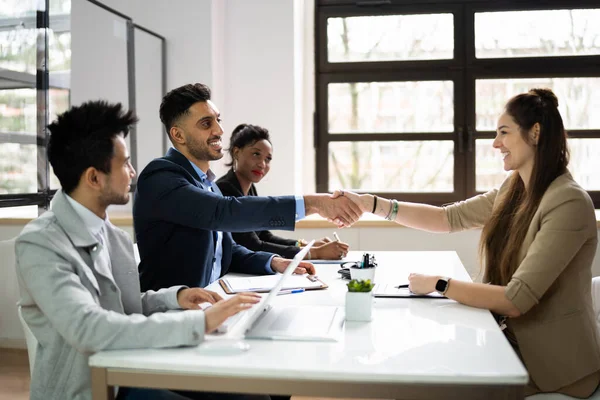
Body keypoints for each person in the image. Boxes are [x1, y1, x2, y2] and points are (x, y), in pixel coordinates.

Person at [336, 88, 600, 398]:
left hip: (552, 368)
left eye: (504, 132)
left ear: (536, 133)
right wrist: (371, 204)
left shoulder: (568, 201)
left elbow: (516, 301)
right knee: (408, 366)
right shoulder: (515, 190)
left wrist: (440, 283)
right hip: (508, 346)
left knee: (420, 383)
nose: (495, 143)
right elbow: (446, 218)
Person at [15, 100, 263, 400]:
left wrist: (176, 296)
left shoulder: (113, 237)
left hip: (127, 371)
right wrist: (201, 321)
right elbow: (88, 327)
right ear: (94, 177)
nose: (133, 172)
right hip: (90, 389)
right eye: (125, 163)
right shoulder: (40, 243)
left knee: (254, 394)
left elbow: (122, 305)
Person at [133, 83, 362, 292]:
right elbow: (223, 212)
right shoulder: (161, 177)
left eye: (217, 120)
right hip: (169, 313)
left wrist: (273, 261)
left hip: (209, 304)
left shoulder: (209, 184)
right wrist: (312, 204)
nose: (219, 131)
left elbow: (227, 249)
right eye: (206, 124)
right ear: (178, 135)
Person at [216, 123, 350, 260]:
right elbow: (253, 245)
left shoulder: (249, 188)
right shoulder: (225, 189)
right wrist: (315, 252)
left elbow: (263, 235)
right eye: (256, 154)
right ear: (236, 152)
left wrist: (306, 244)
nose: (262, 164)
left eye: (268, 159)